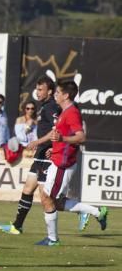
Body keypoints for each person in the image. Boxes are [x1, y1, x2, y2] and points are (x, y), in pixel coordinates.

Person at [33, 80, 108, 245]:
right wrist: (56, 147)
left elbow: (81, 137)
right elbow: (64, 137)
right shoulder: (64, 112)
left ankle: (53, 239)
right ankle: (97, 212)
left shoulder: (72, 112)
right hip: (58, 159)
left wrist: (62, 139)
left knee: (47, 197)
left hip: (63, 163)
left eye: (58, 92)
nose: (55, 95)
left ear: (66, 95)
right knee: (56, 202)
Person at [0, 77, 61, 235]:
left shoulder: (52, 107)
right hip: (40, 155)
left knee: (48, 198)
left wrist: (42, 143)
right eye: (37, 89)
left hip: (47, 157)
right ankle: (17, 226)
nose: (37, 92)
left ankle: (87, 211)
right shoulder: (43, 107)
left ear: (50, 91)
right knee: (27, 189)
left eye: (41, 89)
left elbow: (56, 131)